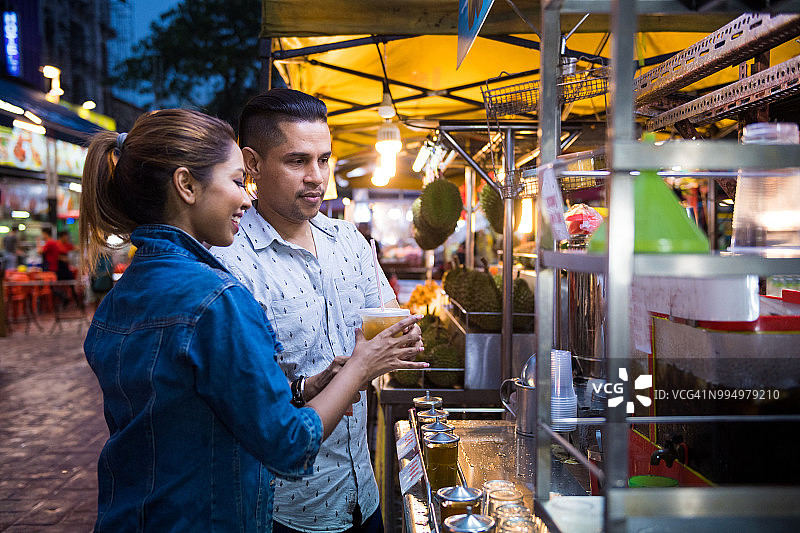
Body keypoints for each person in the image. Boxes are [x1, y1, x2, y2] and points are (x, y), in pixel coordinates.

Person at [79, 109, 427, 532]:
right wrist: (360, 368)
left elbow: (201, 403)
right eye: (237, 181)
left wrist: (303, 387)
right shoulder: (217, 295)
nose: (246, 198)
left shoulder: (122, 296)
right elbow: (289, 445)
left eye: (323, 159)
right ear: (187, 185)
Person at [210, 89, 421, 533]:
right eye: (297, 161)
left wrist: (400, 337)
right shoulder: (231, 263)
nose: (316, 177)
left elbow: (389, 321)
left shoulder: (348, 241)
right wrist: (348, 371)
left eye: (324, 160)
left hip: (362, 492)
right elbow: (244, 406)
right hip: (284, 509)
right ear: (252, 164)